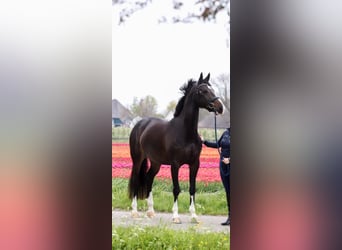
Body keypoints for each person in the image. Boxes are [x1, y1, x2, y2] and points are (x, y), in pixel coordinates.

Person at [202, 127, 230, 225]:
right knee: (228, 191)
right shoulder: (226, 133)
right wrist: (204, 142)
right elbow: (218, 144)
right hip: (223, 166)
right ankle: (230, 217)